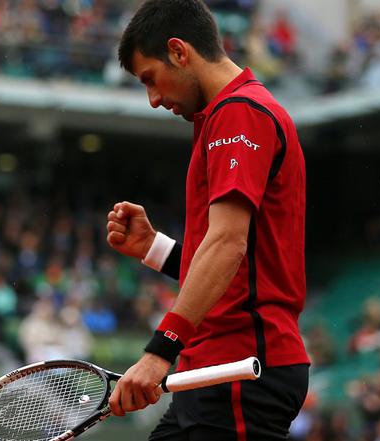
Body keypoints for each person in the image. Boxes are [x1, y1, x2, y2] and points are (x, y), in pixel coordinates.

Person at [105, 1, 309, 439]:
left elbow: (227, 246)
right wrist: (153, 249)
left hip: (237, 371)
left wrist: (160, 351)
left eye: (150, 80)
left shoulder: (241, 113)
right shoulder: (224, 117)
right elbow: (236, 268)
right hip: (215, 371)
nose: (154, 100)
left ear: (179, 52)